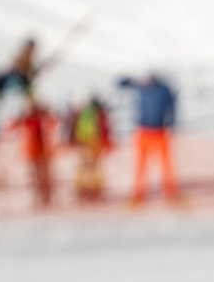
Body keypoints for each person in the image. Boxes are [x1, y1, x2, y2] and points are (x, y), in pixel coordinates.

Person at [119, 73, 181, 205]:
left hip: (159, 132)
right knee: (140, 165)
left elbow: (172, 107)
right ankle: (138, 193)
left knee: (165, 164)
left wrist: (171, 123)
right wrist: (128, 79)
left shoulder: (163, 90)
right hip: (142, 132)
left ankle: (171, 191)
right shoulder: (140, 87)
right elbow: (121, 84)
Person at [71, 95, 111, 203]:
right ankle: (92, 189)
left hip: (86, 142)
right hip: (93, 142)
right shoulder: (96, 113)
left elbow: (79, 129)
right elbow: (101, 128)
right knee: (93, 167)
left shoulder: (84, 112)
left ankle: (86, 189)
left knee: (86, 167)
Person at [16, 100, 54, 207]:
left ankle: (46, 197)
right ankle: (39, 198)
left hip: (43, 151)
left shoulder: (43, 119)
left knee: (44, 176)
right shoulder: (29, 120)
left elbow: (51, 125)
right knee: (36, 176)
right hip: (34, 151)